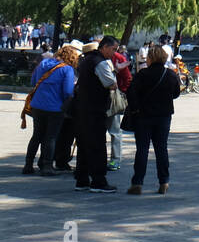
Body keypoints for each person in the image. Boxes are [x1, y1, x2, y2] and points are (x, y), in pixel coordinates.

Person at [125, 42, 182, 194]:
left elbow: (131, 93)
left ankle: (137, 183)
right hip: (163, 116)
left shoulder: (142, 74)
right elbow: (176, 93)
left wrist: (136, 108)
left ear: (150, 58)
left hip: (143, 116)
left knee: (142, 149)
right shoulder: (170, 74)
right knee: (161, 148)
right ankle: (164, 182)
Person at [71, 38, 119, 193]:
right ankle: (98, 181)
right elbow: (110, 83)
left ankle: (82, 179)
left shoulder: (86, 60)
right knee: (97, 144)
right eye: (113, 49)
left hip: (81, 107)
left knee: (84, 144)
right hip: (95, 108)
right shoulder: (101, 62)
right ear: (104, 47)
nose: (114, 53)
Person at [24, 44, 77, 175]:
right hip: (55, 107)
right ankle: (47, 165)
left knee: (36, 136)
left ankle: (28, 164)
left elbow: (34, 81)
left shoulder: (43, 63)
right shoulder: (67, 69)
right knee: (51, 137)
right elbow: (67, 91)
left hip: (37, 105)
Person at [102, 37, 130, 171]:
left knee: (115, 130)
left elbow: (127, 78)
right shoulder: (98, 59)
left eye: (115, 49)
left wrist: (121, 92)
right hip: (100, 98)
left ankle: (115, 159)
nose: (113, 52)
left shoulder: (118, 58)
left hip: (113, 97)